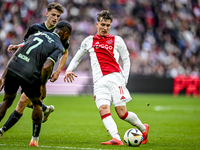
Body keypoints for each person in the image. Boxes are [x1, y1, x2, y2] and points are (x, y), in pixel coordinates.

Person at [64, 10, 149, 145]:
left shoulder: (117, 40)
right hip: (99, 82)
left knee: (122, 114)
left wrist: (125, 79)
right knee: (103, 109)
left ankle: (144, 129)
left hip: (116, 78)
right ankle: (116, 138)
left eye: (108, 25)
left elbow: (126, 60)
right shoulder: (89, 41)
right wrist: (69, 70)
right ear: (97, 24)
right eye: (103, 24)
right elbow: (77, 57)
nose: (105, 28)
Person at [0, 2, 68, 138]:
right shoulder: (35, 28)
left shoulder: (59, 33)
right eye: (53, 15)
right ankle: (44, 109)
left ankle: (2, 131)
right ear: (47, 13)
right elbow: (27, 44)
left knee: (22, 102)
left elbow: (65, 52)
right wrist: (17, 46)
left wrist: (58, 70)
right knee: (29, 101)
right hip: (24, 66)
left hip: (40, 72)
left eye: (58, 16)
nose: (55, 18)